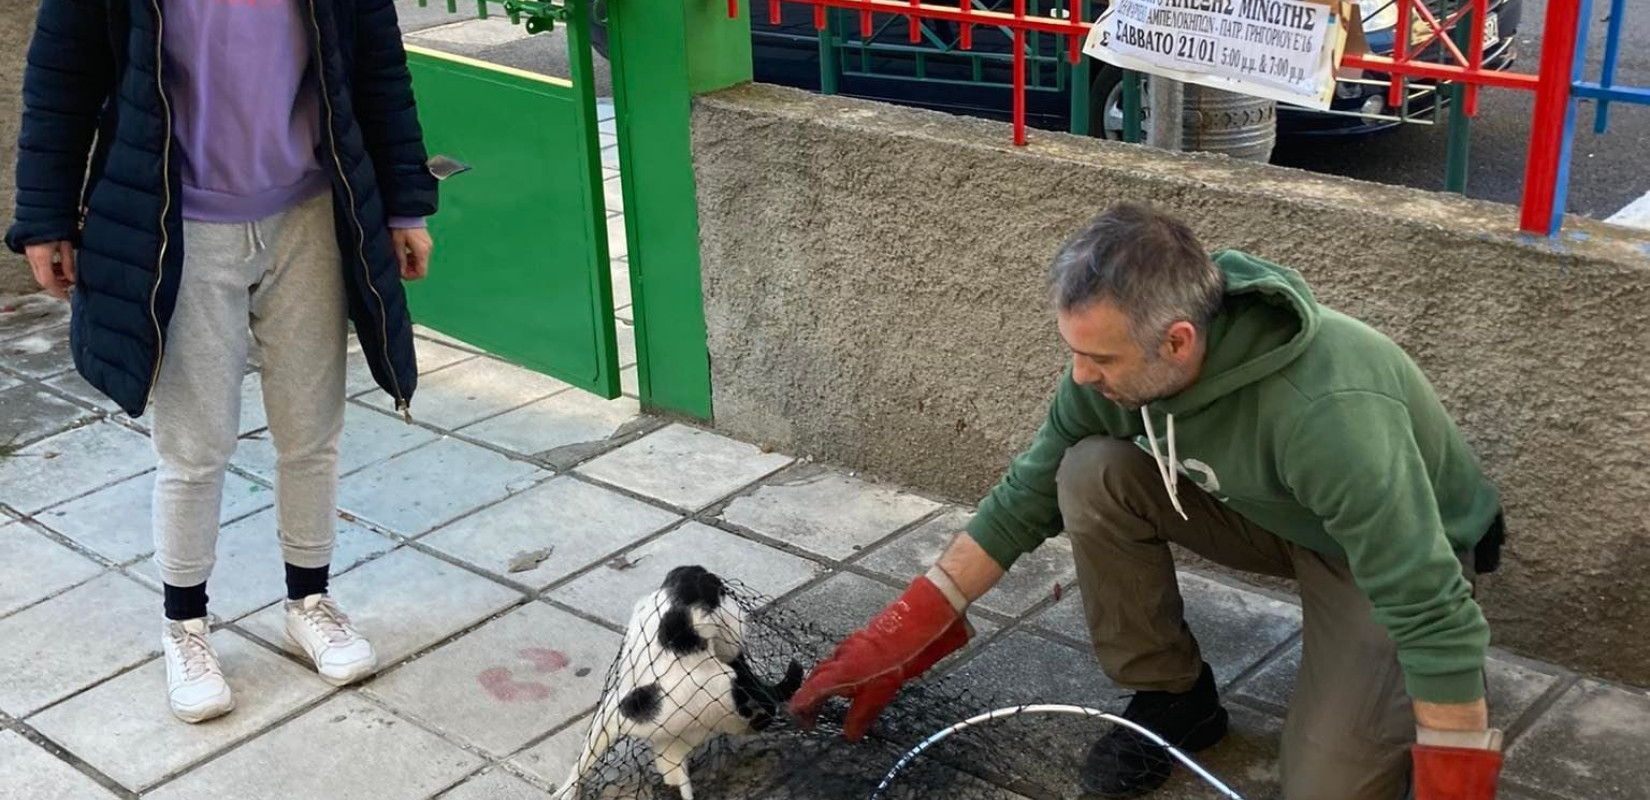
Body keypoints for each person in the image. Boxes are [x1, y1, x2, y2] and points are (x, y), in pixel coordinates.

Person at [787, 203, 1508, 800]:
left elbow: (1427, 604)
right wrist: (905, 632)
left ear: (1178, 341)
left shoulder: (1325, 412)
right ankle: (1175, 698)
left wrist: (1456, 773)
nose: (1080, 375)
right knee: (1089, 472)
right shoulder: (1110, 375)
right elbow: (1023, 497)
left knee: (1325, 788)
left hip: (1386, 555)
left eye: (1100, 359)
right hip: (1272, 513)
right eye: (1074, 351)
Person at [6, 0, 437, 722]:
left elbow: (380, 75)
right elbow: (60, 79)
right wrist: (44, 217)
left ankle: (309, 602)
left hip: (309, 219)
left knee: (310, 429)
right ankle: (185, 627)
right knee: (194, 445)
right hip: (182, 229)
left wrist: (406, 207)